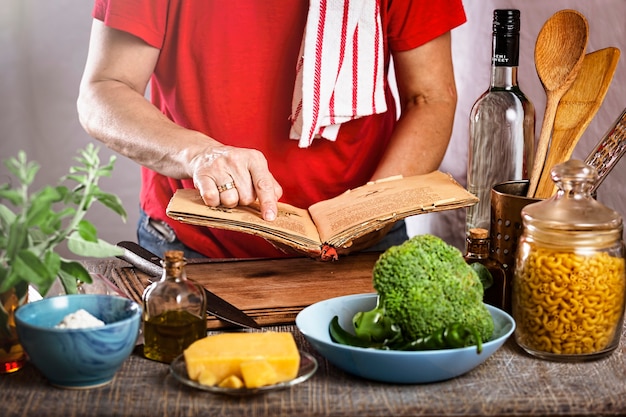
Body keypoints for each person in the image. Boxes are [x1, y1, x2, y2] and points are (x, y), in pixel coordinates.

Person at [77, 0, 466, 259]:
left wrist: (370, 214)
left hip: (363, 244)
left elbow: (430, 99)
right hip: (193, 246)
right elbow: (104, 90)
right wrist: (197, 154)